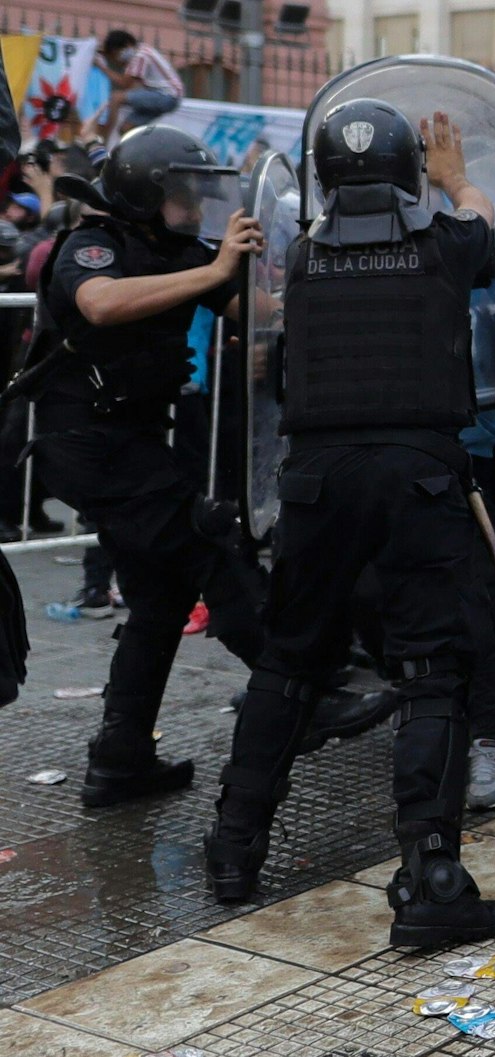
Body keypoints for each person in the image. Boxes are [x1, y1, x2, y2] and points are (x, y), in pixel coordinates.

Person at [200, 103, 495, 948]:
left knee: (290, 660)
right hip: (417, 477)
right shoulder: (447, 246)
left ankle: (233, 851)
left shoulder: (301, 257)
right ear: (410, 173)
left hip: (316, 482)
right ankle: (433, 877)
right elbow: (485, 227)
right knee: (434, 671)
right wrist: (456, 178)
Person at [32, 125, 381, 808]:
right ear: (142, 193)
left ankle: (121, 758)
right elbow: (99, 303)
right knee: (213, 546)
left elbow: (259, 309)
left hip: (130, 443)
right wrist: (215, 270)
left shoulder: (178, 250)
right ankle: (305, 699)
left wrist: (324, 274)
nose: (195, 204)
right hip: (87, 446)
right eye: (182, 192)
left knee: (159, 602)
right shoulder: (94, 244)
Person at [95, 31, 184, 134]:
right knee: (126, 129)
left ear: (127, 44)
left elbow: (125, 83)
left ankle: (103, 140)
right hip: (161, 95)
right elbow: (132, 86)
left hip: (167, 96)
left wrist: (102, 67)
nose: (117, 59)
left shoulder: (141, 55)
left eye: (117, 54)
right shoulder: (137, 56)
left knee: (116, 98)